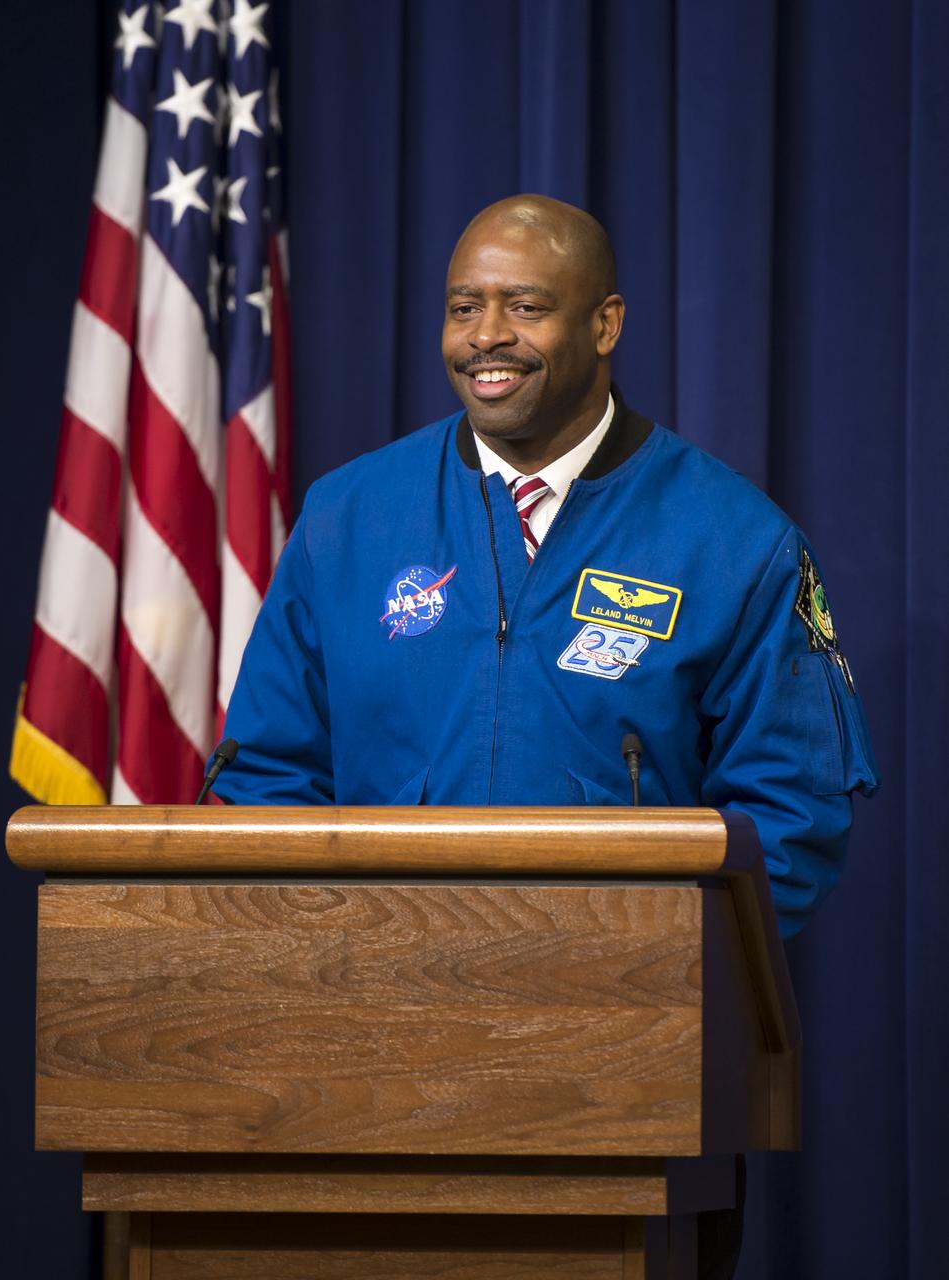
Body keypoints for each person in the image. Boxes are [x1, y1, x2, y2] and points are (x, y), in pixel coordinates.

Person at [211, 195, 879, 1274]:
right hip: (366, 1065)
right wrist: (333, 977)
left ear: (603, 325)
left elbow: (789, 817)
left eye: (524, 306)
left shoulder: (734, 537)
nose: (486, 336)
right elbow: (268, 777)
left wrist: (629, 995)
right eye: (463, 306)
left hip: (624, 1078)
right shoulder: (347, 516)